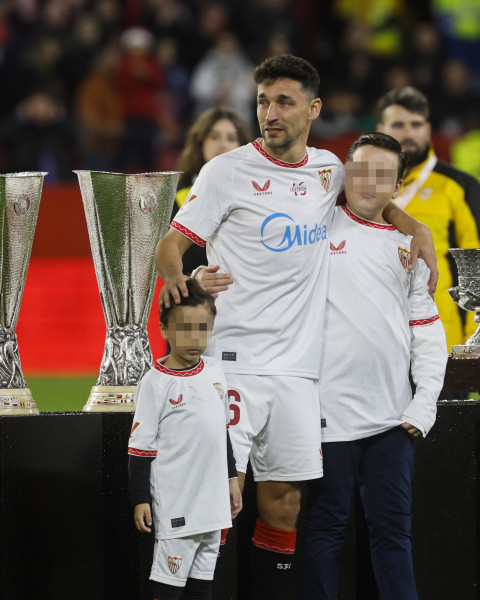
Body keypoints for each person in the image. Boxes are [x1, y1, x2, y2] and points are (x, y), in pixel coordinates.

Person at [155, 54, 437, 599]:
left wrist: (412, 223)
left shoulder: (329, 170)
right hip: (235, 360)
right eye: (262, 101)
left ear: (314, 109)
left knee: (283, 506)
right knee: (214, 499)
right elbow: (172, 243)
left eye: (284, 102)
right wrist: (181, 281)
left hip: (299, 375)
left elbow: (375, 199)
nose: (270, 113)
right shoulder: (225, 172)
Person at [299, 132, 447, 599]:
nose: (369, 182)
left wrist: (424, 404)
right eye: (360, 170)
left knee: (393, 537)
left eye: (383, 175)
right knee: (323, 534)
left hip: (392, 422)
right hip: (325, 417)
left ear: (398, 186)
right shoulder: (313, 228)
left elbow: (426, 332)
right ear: (344, 172)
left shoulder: (409, 250)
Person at [128, 278, 241, 600]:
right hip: (178, 503)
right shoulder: (155, 383)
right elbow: (140, 448)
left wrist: (232, 478)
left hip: (214, 502)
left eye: (203, 328)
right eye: (185, 328)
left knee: (203, 585)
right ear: (164, 330)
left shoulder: (215, 370)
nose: (195, 338)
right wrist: (140, 499)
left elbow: (222, 431)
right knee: (168, 585)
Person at [376, 86, 480, 354]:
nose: (409, 133)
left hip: (443, 338)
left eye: (416, 124)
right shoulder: (362, 186)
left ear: (428, 128)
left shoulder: (459, 186)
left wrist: (472, 341)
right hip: (379, 335)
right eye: (398, 124)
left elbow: (476, 263)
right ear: (380, 128)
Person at [174, 107, 252, 276]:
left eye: (231, 138)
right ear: (200, 142)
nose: (223, 144)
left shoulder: (257, 193)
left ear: (242, 146)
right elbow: (176, 258)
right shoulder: (177, 196)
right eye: (214, 136)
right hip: (195, 296)